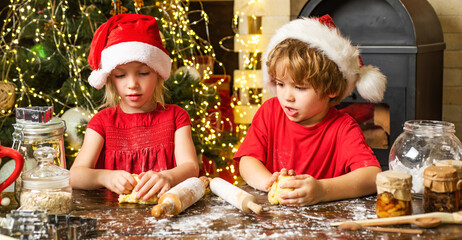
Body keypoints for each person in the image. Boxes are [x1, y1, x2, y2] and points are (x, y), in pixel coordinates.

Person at [234, 15, 387, 206]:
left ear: (331, 90)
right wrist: (269, 183)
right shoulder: (270, 112)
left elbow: (372, 176)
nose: (287, 96)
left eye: (299, 87)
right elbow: (247, 161)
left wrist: (322, 190)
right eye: (280, 84)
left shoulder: (342, 128)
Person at [70, 14, 199, 201]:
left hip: (164, 215)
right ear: (110, 80)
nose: (132, 84)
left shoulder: (176, 117)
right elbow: (74, 175)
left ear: (157, 73)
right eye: (121, 75)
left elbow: (191, 166)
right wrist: (103, 177)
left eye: (143, 73)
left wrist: (168, 177)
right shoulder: (102, 122)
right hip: (113, 218)